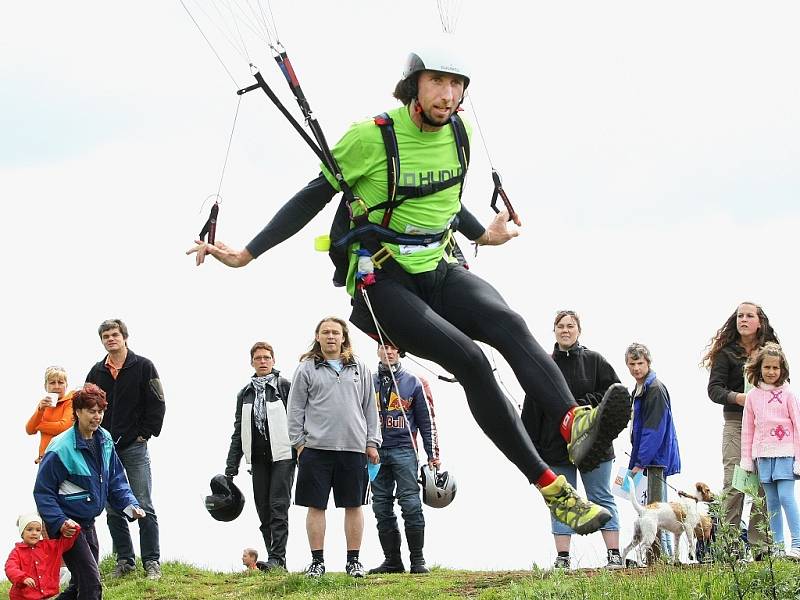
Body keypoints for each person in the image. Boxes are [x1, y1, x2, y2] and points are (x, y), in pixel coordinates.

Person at [187, 47, 632, 536]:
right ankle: (553, 489)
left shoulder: (458, 135)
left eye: (456, 83)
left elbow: (446, 200)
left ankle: (575, 424)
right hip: (384, 282)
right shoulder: (369, 138)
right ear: (414, 85)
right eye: (437, 81)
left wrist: (483, 234)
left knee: (511, 324)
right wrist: (248, 252)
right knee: (471, 361)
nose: (448, 94)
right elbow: (313, 196)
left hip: (439, 266)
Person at [523, 311, 622, 569]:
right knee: (560, 500)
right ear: (554, 330)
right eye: (560, 326)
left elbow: (614, 396)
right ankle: (563, 558)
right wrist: (529, 451)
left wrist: (581, 405)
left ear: (579, 330)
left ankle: (613, 554)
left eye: (570, 326)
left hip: (594, 444)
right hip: (554, 445)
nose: (565, 330)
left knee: (600, 495)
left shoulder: (595, 360)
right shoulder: (542, 364)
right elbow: (531, 410)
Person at [286, 317, 380, 578]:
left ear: (343, 337)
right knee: (316, 506)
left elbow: (369, 409)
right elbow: (294, 409)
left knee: (354, 505)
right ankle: (317, 562)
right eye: (325, 332)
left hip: (353, 448)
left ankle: (354, 562)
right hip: (315, 449)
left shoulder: (360, 367)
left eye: (335, 333)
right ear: (317, 336)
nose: (330, 337)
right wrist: (299, 444)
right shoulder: (306, 369)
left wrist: (372, 443)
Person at [33, 383, 145, 600]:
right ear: (77, 412)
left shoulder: (105, 440)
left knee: (78, 586)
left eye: (101, 411)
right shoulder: (60, 448)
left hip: (87, 522)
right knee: (92, 586)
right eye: (91, 411)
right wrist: (60, 522)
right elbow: (43, 492)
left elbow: (116, 480)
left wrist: (132, 507)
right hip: (67, 526)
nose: (97, 416)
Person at [85, 318, 165, 580]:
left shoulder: (143, 366)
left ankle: (152, 562)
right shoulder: (96, 372)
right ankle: (125, 561)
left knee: (143, 503)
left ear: (124, 337)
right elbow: (85, 407)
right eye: (106, 335)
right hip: (105, 449)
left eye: (114, 334)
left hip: (134, 446)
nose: (111, 338)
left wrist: (146, 433)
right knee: (111, 507)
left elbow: (157, 401)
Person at [703, 302, 779, 558]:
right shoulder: (726, 353)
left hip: (766, 427)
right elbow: (714, 390)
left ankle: (761, 549)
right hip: (736, 423)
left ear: (760, 321)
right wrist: (739, 398)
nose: (743, 319)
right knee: (734, 484)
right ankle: (729, 548)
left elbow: (783, 384)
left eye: (749, 316)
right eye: (740, 316)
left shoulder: (771, 351)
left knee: (764, 485)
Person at [368, 343, 439, 575]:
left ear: (400, 353)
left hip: (404, 450)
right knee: (381, 506)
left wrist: (433, 455)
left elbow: (427, 421)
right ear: (377, 351)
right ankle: (392, 561)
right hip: (374, 452)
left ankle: (417, 560)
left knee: (410, 504)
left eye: (393, 348)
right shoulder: (367, 381)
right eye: (383, 347)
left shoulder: (414, 382)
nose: (388, 352)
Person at [225, 342, 295, 571]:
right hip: (258, 458)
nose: (263, 361)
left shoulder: (285, 387)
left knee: (278, 506)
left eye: (266, 357)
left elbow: (298, 419)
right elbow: (238, 430)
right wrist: (231, 465)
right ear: (252, 362)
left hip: (283, 456)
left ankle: (277, 557)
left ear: (274, 360)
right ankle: (276, 562)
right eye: (258, 358)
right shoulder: (244, 393)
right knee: (263, 508)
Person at [740, 343, 800, 559]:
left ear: (782, 370)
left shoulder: (789, 395)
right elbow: (747, 429)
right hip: (763, 456)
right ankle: (777, 547)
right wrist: (746, 459)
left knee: (786, 497)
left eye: (776, 368)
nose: (771, 372)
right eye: (767, 367)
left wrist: (798, 460)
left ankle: (798, 545)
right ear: (759, 368)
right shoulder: (753, 397)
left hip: (785, 453)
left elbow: (798, 426)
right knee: (771, 502)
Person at [625, 343, 681, 558]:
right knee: (651, 510)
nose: (636, 368)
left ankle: (662, 557)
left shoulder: (654, 389)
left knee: (658, 511)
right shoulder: (639, 389)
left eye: (640, 363)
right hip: (646, 457)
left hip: (655, 460)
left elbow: (653, 430)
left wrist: (640, 462)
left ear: (648, 363)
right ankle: (660, 556)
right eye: (632, 364)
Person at [4, 513, 79, 600]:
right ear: (22, 532)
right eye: (29, 529)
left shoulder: (47, 546)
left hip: (44, 595)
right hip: (22, 597)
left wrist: (73, 528)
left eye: (38, 530)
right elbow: (10, 568)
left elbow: (64, 544)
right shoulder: (16, 552)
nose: (34, 533)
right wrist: (22, 578)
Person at [26, 365, 75, 464]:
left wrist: (39, 425)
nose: (56, 386)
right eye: (52, 383)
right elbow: (30, 430)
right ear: (46, 386)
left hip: (64, 458)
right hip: (44, 458)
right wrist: (40, 410)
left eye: (60, 382)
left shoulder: (71, 401)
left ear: (66, 385)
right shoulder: (44, 404)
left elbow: (63, 427)